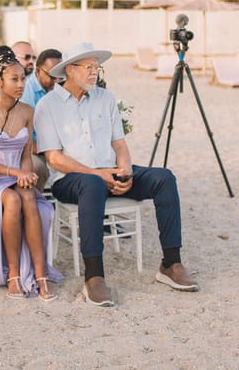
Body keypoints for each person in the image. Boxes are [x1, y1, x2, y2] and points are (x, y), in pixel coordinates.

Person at [35, 42, 199, 307]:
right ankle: (94, 277)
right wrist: (98, 174)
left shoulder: (106, 98)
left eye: (96, 68)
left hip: (109, 171)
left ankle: (171, 264)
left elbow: (119, 145)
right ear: (70, 70)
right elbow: (54, 158)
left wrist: (125, 171)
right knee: (92, 184)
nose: (94, 73)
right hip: (71, 180)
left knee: (164, 177)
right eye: (88, 67)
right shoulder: (47, 105)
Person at [0, 46, 61, 300]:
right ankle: (13, 274)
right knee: (11, 199)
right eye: (15, 79)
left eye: (23, 78)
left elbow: (25, 155)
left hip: (16, 175)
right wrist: (14, 174)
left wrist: (27, 174)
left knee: (29, 197)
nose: (21, 84)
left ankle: (41, 275)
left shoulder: (27, 111)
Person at [20, 48, 62, 192]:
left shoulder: (55, 88)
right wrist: (53, 151)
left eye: (60, 76)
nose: (56, 81)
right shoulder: (25, 93)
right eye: (52, 76)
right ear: (37, 71)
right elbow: (23, 139)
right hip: (29, 150)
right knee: (37, 168)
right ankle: (33, 208)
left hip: (51, 147)